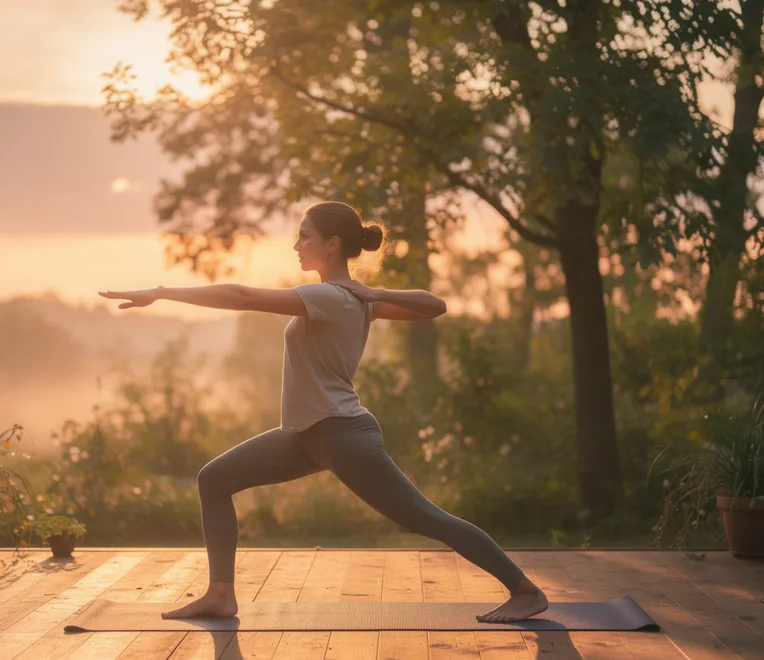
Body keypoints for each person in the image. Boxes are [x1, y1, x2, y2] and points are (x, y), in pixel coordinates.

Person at [98, 201, 549, 622]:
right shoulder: (350, 298)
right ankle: (220, 594)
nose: (296, 245)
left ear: (331, 244)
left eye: (304, 236)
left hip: (342, 435)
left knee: (424, 517)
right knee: (214, 479)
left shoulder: (334, 297)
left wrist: (161, 291)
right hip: (305, 437)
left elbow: (242, 295)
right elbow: (433, 305)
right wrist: (369, 294)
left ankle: (524, 590)